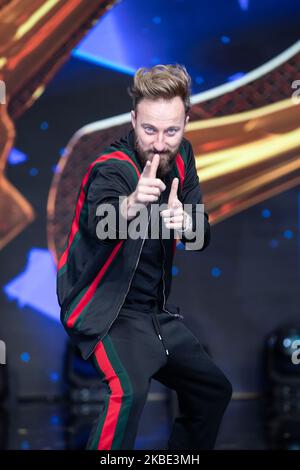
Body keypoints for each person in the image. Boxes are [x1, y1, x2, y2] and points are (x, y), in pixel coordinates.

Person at [56, 64, 232, 450]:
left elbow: (200, 237)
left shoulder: (182, 157)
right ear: (133, 119)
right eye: (149, 129)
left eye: (171, 130)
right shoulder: (111, 168)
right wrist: (132, 204)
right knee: (129, 392)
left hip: (154, 315)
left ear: (186, 121)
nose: (159, 143)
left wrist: (186, 222)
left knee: (212, 390)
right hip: (103, 312)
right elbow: (103, 224)